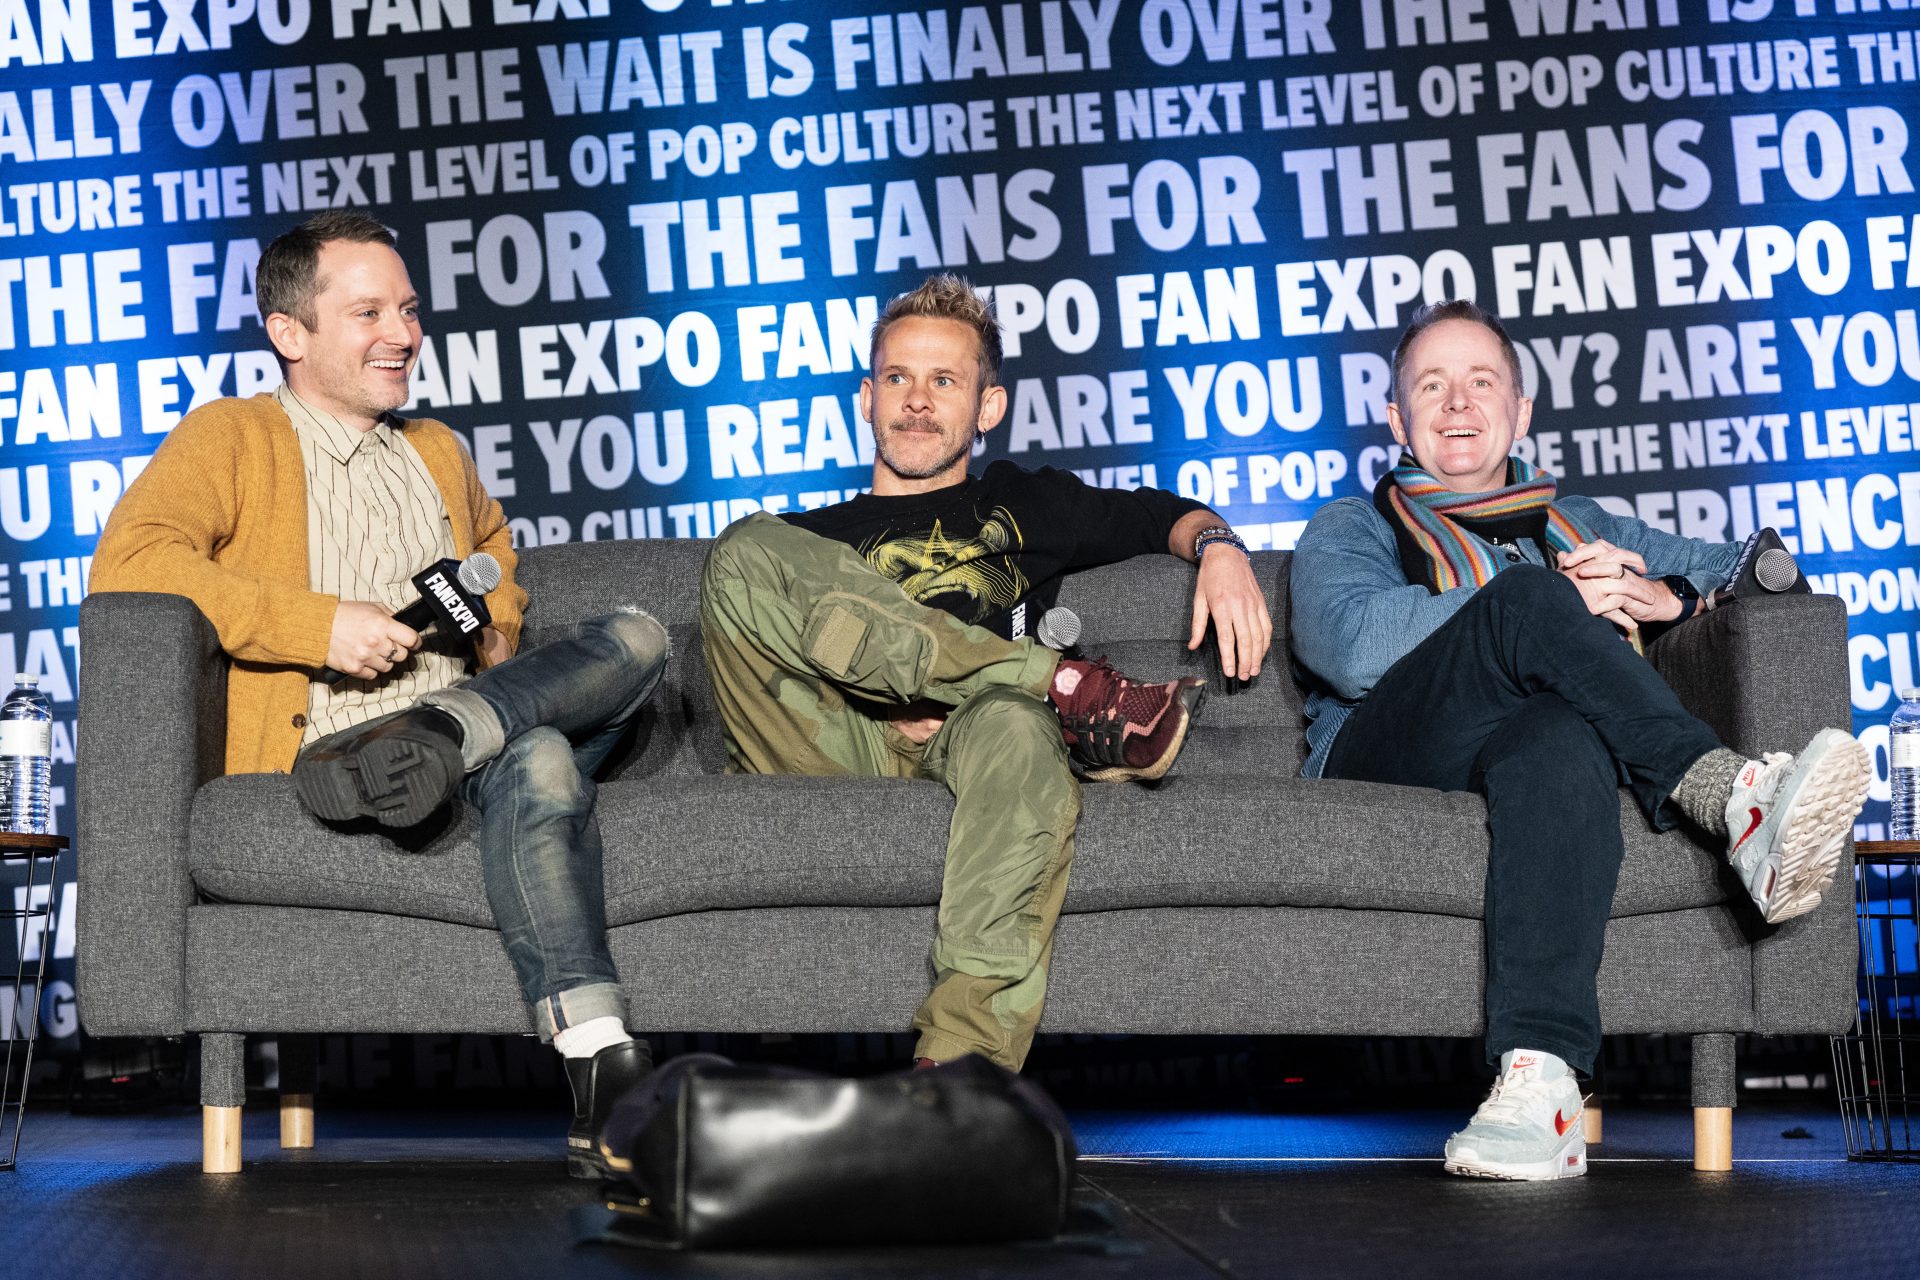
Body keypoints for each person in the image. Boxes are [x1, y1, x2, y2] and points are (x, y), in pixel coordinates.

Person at [89, 211, 668, 1179]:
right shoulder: (233, 435)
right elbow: (131, 561)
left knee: (637, 640)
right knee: (544, 753)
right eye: (368, 311)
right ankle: (604, 1062)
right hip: (342, 752)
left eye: (408, 308)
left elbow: (499, 560)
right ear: (291, 332)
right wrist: (321, 626)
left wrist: (493, 622)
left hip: (462, 738)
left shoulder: (438, 447)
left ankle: (451, 729)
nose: (402, 332)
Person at [1290, 299, 1869, 1181]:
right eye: (1431, 387)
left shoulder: (1583, 519)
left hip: (1522, 759)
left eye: (1480, 382)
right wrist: (1545, 603)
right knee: (1530, 602)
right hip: (1386, 755)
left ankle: (1540, 1087)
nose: (1456, 404)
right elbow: (1353, 646)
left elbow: (1768, 576)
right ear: (1397, 419)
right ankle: (1729, 797)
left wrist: (1663, 599)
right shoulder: (1354, 525)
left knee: (1561, 737)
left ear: (1520, 413)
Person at [699, 274, 1272, 1070]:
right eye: (898, 379)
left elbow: (1160, 514)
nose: (917, 401)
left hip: (972, 741)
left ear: (987, 407)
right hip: (833, 739)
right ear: (866, 398)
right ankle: (1062, 684)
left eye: (945, 381)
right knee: (739, 549)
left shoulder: (1029, 504)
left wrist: (1222, 550)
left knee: (1014, 724)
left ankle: (958, 1076)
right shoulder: (805, 539)